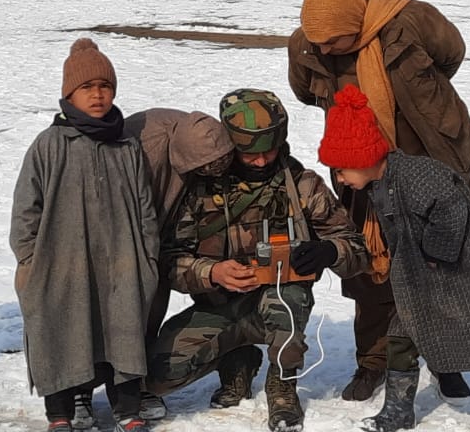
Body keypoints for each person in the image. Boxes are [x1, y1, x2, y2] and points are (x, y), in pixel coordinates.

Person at [287, 0, 470, 402]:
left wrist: (406, 104)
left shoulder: (409, 20)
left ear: (354, 24)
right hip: (360, 170)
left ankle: (445, 358)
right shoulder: (306, 45)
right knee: (372, 267)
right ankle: (372, 362)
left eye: (334, 42)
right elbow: (304, 89)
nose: (324, 49)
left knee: (440, 264)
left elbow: (451, 55)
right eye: (318, 43)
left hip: (427, 157)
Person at [147, 89, 368, 432]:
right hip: (219, 307)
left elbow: (355, 247)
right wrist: (213, 272)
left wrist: (329, 251)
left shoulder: (302, 185)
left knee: (289, 300)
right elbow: (168, 261)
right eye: (250, 153)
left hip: (279, 302)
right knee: (157, 375)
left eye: (270, 151)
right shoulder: (201, 189)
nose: (262, 162)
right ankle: (238, 361)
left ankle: (282, 386)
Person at [319, 85, 470, 432]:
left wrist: (433, 253)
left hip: (459, 275)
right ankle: (398, 412)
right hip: (419, 280)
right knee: (400, 337)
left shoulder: (419, 175)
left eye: (341, 171)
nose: (339, 179)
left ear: (362, 159)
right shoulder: (378, 183)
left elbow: (451, 208)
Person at [12, 39, 158, 432]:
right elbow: (27, 206)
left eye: (105, 86)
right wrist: (29, 259)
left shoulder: (125, 145)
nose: (97, 95)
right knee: (63, 326)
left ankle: (127, 405)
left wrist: (147, 256)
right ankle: (63, 407)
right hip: (61, 259)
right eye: (87, 87)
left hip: (122, 259)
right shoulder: (49, 144)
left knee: (122, 328)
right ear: (69, 95)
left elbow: (145, 205)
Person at [123, 107, 235, 419]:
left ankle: (140, 386)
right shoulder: (145, 149)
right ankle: (105, 388)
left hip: (161, 240)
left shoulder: (205, 139)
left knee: (153, 300)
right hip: (125, 240)